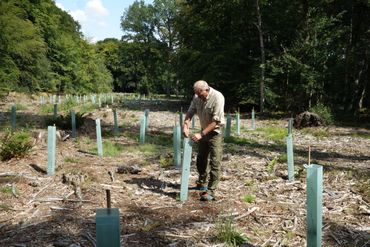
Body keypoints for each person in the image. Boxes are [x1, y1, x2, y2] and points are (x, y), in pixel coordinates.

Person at [182, 80, 225, 201]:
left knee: (215, 161)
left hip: (215, 133)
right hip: (203, 131)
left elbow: (216, 121)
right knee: (201, 159)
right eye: (197, 95)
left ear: (205, 90)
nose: (198, 97)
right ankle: (201, 182)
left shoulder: (218, 97)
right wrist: (186, 125)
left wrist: (201, 134)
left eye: (200, 95)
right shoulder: (197, 96)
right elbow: (191, 111)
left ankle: (211, 191)